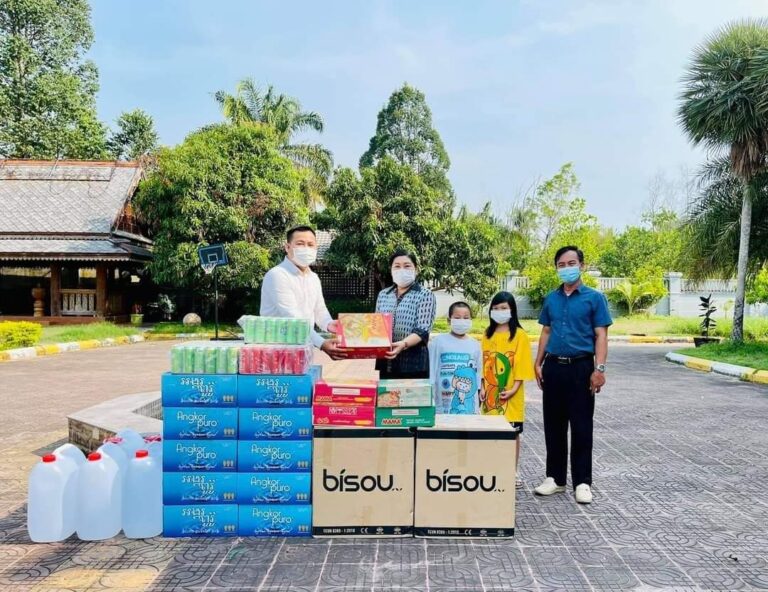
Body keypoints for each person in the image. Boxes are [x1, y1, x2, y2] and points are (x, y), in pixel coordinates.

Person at [533, 245, 612, 505]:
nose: (566, 268)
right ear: (556, 268)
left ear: (582, 266)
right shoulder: (551, 299)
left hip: (581, 368)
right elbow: (546, 331)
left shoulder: (594, 298)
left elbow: (601, 335)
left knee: (581, 425)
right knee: (553, 425)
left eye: (571, 263)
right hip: (554, 367)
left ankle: (582, 482)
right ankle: (555, 479)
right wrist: (538, 362)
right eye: (561, 265)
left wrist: (599, 369)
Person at [260, 226, 346, 359]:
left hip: (303, 350)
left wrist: (329, 324)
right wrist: (321, 343)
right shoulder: (277, 275)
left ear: (316, 248)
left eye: (310, 245)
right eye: (300, 244)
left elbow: (319, 310)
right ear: (287, 247)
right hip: (277, 351)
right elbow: (292, 318)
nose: (306, 248)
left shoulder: (313, 278)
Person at [480, 291, 534, 483]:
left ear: (512, 310)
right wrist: (482, 387)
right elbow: (482, 362)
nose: (499, 311)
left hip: (511, 394)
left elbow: (522, 364)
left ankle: (512, 471)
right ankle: (492, 470)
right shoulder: (487, 334)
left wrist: (513, 389)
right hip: (489, 395)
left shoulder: (519, 335)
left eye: (503, 308)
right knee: (490, 433)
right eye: (495, 308)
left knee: (512, 434)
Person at [375, 249, 436, 379]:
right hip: (386, 361)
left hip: (413, 363)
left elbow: (423, 329)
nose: (401, 270)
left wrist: (403, 344)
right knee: (387, 392)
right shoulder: (383, 295)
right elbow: (377, 326)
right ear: (391, 270)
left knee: (411, 393)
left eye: (407, 266)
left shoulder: (425, 295)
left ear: (416, 269)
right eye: (397, 266)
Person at [429, 301, 481, 414]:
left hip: (468, 405)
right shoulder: (438, 342)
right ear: (449, 320)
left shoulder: (475, 345)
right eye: (457, 318)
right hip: (442, 403)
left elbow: (478, 374)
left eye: (466, 318)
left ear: (471, 320)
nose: (462, 321)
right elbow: (431, 371)